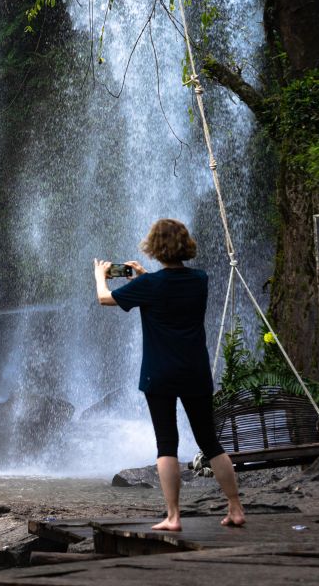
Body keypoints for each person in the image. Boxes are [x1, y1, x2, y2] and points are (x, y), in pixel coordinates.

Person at [94, 218, 246, 532]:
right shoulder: (199, 279)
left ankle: (173, 517)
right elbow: (171, 290)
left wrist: (101, 277)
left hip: (159, 373)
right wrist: (145, 277)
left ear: (155, 248)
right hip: (195, 370)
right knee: (210, 442)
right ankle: (235, 508)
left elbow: (104, 299)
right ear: (184, 246)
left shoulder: (148, 287)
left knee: (167, 444)